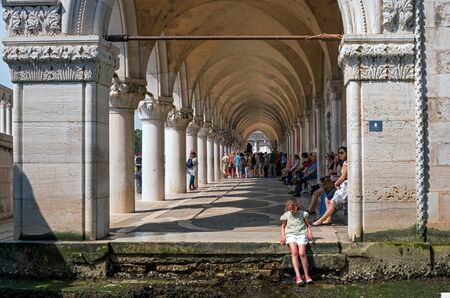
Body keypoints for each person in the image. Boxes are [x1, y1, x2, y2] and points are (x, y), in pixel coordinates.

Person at [280, 198, 314, 285]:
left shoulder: (303, 214)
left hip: (301, 234)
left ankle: (306, 275)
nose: (291, 211)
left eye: (293, 208)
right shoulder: (286, 215)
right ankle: (298, 275)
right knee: (294, 252)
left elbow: (307, 225)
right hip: (291, 235)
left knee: (302, 253)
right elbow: (283, 227)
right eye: (289, 209)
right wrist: (283, 237)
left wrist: (310, 233)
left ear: (297, 206)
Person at [313, 147, 348, 226]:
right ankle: (328, 218)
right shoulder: (342, 162)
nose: (339, 155)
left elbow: (342, 176)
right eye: (338, 153)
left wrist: (337, 182)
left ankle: (321, 219)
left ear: (347, 153)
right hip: (340, 184)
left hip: (344, 185)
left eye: (342, 153)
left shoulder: (346, 163)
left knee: (331, 202)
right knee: (327, 199)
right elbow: (333, 174)